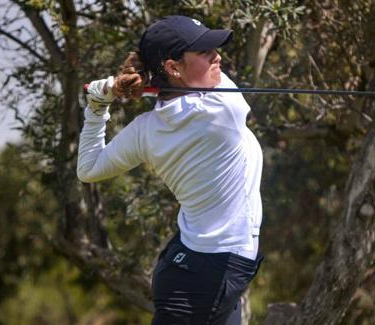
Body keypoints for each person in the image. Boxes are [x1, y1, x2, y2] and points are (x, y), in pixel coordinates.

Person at [77, 15, 263, 324]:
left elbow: (89, 168)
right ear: (173, 67)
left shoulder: (146, 129)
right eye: (204, 52)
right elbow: (194, 92)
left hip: (199, 263)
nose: (217, 56)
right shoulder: (223, 110)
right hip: (209, 273)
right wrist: (136, 87)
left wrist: (99, 104)